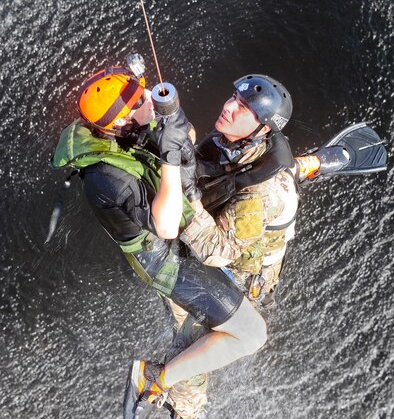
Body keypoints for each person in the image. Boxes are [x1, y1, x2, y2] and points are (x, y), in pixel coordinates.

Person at [51, 61, 267, 418]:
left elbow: (189, 136)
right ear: (120, 121)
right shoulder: (107, 179)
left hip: (174, 235)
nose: (149, 98)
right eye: (140, 101)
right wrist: (169, 156)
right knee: (252, 335)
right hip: (163, 258)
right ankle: (153, 379)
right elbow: (165, 225)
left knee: (214, 305)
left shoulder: (118, 131)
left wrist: (174, 127)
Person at [166, 74, 387, 418]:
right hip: (262, 199)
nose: (228, 108)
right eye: (232, 99)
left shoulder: (260, 194)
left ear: (263, 128)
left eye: (242, 109)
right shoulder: (238, 143)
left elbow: (215, 250)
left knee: (191, 342)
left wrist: (189, 196)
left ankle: (185, 408)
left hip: (236, 275)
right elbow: (261, 169)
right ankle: (321, 161)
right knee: (292, 170)